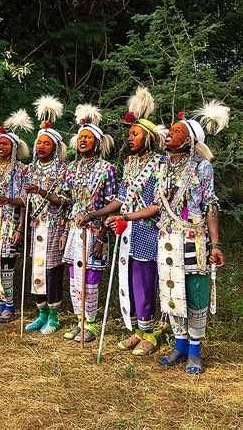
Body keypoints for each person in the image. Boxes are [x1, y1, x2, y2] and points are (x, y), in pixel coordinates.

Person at [108, 102, 228, 374]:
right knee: (171, 290)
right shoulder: (163, 167)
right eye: (169, 130)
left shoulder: (201, 167)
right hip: (165, 237)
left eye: (176, 131)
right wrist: (126, 217)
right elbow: (156, 206)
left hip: (192, 238)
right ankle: (180, 346)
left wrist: (216, 243)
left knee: (195, 292)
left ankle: (195, 351)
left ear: (190, 140)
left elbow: (210, 205)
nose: (168, 134)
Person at [87, 87, 166, 356]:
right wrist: (100, 214)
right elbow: (120, 199)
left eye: (135, 134)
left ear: (149, 137)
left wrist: (126, 217)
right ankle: (136, 331)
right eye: (129, 134)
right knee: (128, 282)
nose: (130, 138)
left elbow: (158, 205)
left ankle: (150, 333)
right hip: (127, 232)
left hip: (147, 232)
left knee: (144, 283)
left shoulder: (160, 164)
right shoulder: (129, 164)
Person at [60, 104, 117, 343]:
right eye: (81, 137)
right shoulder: (71, 168)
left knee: (90, 277)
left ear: (97, 142)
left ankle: (90, 325)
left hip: (95, 231)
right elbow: (68, 202)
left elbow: (114, 202)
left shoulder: (107, 169)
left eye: (88, 138)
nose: (83, 140)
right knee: (74, 276)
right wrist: (64, 230)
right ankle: (78, 321)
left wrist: (102, 235)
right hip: (74, 229)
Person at [23, 95, 68, 335]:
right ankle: (40, 313)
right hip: (36, 225)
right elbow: (25, 201)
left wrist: (41, 191)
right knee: (37, 269)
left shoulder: (63, 170)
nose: (40, 147)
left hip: (55, 225)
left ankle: (54, 316)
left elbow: (64, 201)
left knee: (51, 270)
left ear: (55, 148)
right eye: (38, 143)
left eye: (46, 144)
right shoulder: (30, 169)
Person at [0, 110, 32, 324]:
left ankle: (10, 307)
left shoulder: (22, 170)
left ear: (14, 147)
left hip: (12, 222)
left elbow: (25, 201)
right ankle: (0, 304)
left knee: (6, 263)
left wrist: (20, 229)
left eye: (5, 144)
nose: (1, 147)